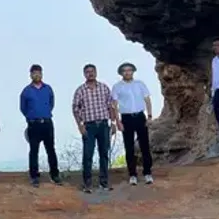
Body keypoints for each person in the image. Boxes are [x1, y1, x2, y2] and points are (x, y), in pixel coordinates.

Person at [71, 63, 116, 193]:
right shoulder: (80, 90)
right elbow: (75, 109)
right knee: (87, 155)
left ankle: (104, 183)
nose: (90, 74)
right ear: (84, 74)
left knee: (104, 154)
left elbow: (111, 106)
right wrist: (80, 125)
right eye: (88, 72)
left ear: (96, 72)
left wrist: (113, 123)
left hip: (103, 125)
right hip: (89, 126)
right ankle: (87, 184)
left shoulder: (104, 88)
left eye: (92, 71)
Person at [112, 62, 154, 185]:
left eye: (129, 70)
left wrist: (149, 116)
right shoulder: (117, 87)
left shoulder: (140, 84)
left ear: (133, 71)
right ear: (121, 73)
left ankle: (147, 173)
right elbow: (114, 105)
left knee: (145, 145)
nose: (127, 72)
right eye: (124, 70)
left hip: (140, 116)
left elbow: (147, 100)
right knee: (129, 147)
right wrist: (118, 122)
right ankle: (132, 174)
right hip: (126, 118)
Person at [19, 63, 61, 187]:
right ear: (30, 75)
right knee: (34, 150)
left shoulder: (48, 89)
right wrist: (31, 117)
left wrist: (44, 114)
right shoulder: (26, 91)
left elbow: (51, 104)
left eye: (39, 73)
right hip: (34, 125)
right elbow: (23, 108)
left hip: (47, 123)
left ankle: (55, 174)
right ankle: (34, 176)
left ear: (42, 74)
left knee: (51, 149)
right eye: (34, 73)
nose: (36, 75)